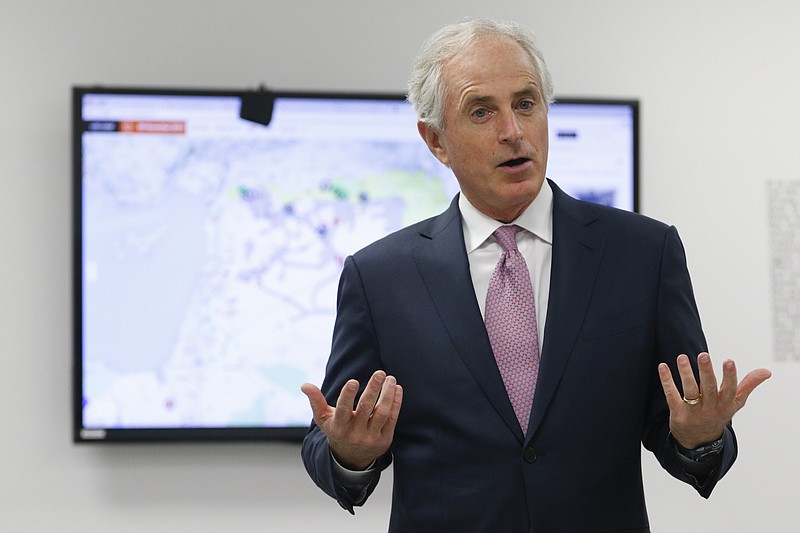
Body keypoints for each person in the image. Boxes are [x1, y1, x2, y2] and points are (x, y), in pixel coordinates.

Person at [300, 18, 771, 532]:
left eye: (526, 104)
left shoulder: (643, 253)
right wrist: (350, 454)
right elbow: (330, 444)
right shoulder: (380, 277)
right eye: (481, 111)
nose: (513, 131)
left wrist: (701, 438)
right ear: (436, 140)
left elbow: (683, 427)